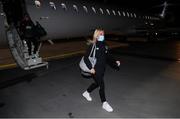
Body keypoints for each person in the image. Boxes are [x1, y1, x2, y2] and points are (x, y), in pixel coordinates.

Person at [82, 29, 120, 112]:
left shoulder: (104, 45)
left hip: (102, 69)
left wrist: (115, 61)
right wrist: (90, 68)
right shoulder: (93, 45)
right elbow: (85, 57)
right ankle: (104, 103)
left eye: (103, 34)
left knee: (97, 83)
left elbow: (108, 55)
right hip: (95, 70)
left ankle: (86, 92)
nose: (102, 35)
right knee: (101, 85)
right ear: (97, 36)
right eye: (101, 34)